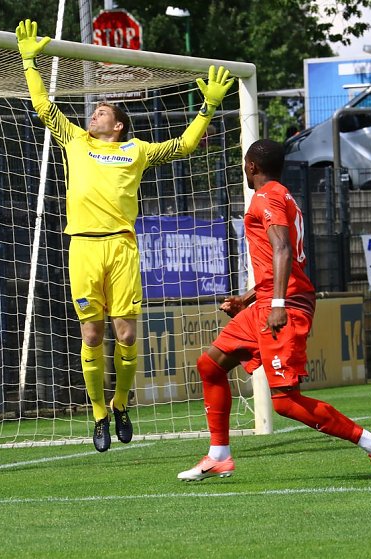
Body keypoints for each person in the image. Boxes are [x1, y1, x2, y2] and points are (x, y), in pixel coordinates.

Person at [15, 19, 234, 452]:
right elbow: (43, 107)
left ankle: (120, 403)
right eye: (93, 111)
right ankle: (97, 413)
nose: (92, 113)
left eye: (101, 112)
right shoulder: (74, 139)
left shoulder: (135, 150)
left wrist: (206, 109)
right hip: (83, 246)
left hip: (121, 245)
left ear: (117, 126)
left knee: (127, 335)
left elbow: (184, 147)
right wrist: (29, 63)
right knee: (92, 335)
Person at [177, 138, 371, 481]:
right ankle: (219, 455)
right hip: (266, 302)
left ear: (251, 166)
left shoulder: (267, 197)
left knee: (283, 401)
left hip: (283, 305)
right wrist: (248, 300)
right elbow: (279, 259)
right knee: (210, 365)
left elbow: (282, 250)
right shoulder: (282, 195)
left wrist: (277, 304)